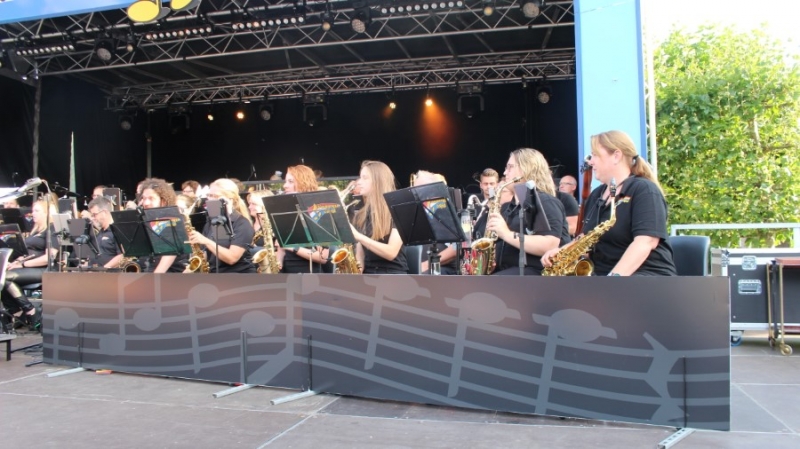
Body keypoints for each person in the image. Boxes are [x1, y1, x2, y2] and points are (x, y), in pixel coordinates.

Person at [541, 130, 677, 276]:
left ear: (616, 156)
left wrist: (613, 279)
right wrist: (562, 252)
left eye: (595, 155)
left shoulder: (644, 190)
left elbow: (646, 242)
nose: (590, 162)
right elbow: (586, 239)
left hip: (645, 276)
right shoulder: (596, 195)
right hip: (603, 275)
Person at [486, 148, 571, 275]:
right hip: (507, 272)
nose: (505, 172)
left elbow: (550, 244)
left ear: (527, 169)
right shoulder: (508, 207)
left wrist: (506, 234)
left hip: (536, 274)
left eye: (510, 167)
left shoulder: (546, 201)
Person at [2, 198, 58, 331]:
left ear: (46, 213)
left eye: (37, 211)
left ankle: (31, 311)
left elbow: (49, 257)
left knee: (5, 278)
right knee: (1, 276)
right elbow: (28, 253)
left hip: (43, 269)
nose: (33, 213)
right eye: (33, 210)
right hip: (28, 266)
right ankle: (17, 313)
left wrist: (23, 265)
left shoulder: (52, 229)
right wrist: (17, 262)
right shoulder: (35, 231)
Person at [186, 178, 256, 273]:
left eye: (214, 196)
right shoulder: (212, 220)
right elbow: (207, 254)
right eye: (209, 195)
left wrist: (205, 241)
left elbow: (232, 258)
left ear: (229, 199)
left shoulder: (242, 223)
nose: (209, 199)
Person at [350, 160, 408, 274]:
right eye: (360, 177)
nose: (359, 182)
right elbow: (360, 253)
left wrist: (359, 237)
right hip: (368, 274)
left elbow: (391, 252)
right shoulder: (360, 214)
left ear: (378, 181)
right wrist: (356, 271)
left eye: (365, 178)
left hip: (392, 274)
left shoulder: (398, 210)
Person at [279, 165, 329, 273]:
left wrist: (293, 248)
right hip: (286, 273)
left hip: (309, 274)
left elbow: (323, 257)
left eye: (290, 182)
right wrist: (277, 263)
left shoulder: (318, 213)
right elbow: (280, 248)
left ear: (303, 184)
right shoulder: (285, 212)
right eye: (285, 181)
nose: (285, 186)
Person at [413, 170, 458, 275]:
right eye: (414, 188)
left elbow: (456, 248)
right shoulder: (416, 209)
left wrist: (427, 264)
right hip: (419, 267)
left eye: (419, 188)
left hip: (441, 268)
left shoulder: (442, 208)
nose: (415, 192)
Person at [138, 178, 187, 273]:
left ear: (163, 201)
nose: (146, 203)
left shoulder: (173, 218)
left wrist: (155, 276)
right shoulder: (147, 219)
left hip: (171, 273)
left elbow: (171, 252)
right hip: (151, 268)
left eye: (151, 198)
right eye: (144, 198)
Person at [85, 196, 124, 269]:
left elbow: (122, 255)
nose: (93, 218)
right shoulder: (100, 232)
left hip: (109, 274)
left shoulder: (117, 231)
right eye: (92, 215)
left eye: (94, 214)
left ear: (104, 212)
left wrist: (103, 269)